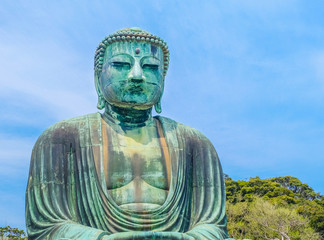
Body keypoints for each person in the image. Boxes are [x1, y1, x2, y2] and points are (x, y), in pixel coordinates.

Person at [26, 27, 233, 240]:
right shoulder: (61, 139)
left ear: (163, 79)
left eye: (151, 67)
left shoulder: (195, 143)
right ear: (98, 77)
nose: (137, 75)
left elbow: (213, 227)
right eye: (121, 65)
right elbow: (47, 228)